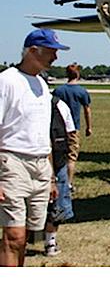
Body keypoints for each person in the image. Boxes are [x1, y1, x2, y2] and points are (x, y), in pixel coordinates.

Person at [0, 29, 69, 267]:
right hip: (12, 162)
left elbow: (43, 133)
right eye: (51, 51)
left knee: (27, 237)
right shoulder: (7, 81)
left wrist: (50, 176)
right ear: (32, 51)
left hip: (40, 165)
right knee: (13, 235)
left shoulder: (41, 85)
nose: (55, 58)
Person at [43, 93, 76, 257]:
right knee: (57, 202)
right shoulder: (59, 104)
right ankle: (50, 242)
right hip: (58, 159)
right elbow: (70, 132)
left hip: (33, 158)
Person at [52, 63, 92, 188]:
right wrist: (89, 127)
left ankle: (56, 179)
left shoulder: (58, 90)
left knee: (56, 154)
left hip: (57, 128)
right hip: (73, 127)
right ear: (78, 74)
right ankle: (68, 183)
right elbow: (87, 110)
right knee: (71, 156)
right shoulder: (81, 91)